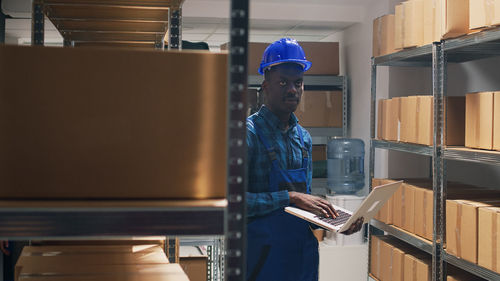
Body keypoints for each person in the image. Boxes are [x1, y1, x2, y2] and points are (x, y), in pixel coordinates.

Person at [246, 38, 363, 281]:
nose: (292, 89)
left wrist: (334, 222)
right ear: (265, 84)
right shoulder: (246, 135)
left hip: (301, 261)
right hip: (260, 262)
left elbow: (304, 209)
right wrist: (289, 197)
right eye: (283, 82)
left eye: (298, 83)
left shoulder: (304, 138)